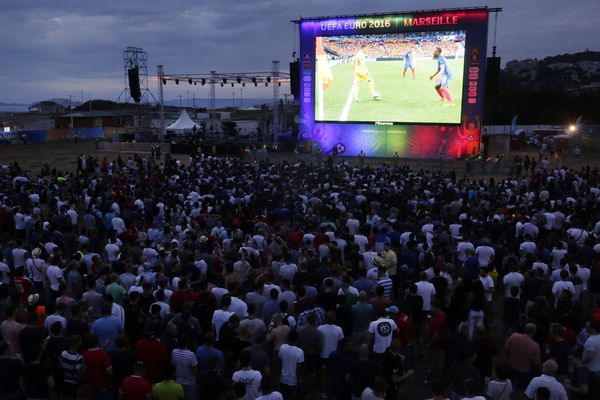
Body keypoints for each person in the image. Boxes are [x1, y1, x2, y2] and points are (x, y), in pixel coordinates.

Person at [278, 329, 304, 398]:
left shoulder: (282, 347)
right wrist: (298, 382)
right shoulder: (300, 351)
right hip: (293, 381)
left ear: (288, 338)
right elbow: (298, 369)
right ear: (297, 339)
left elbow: (280, 362)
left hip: (283, 379)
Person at [171, 336, 198, 400]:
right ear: (187, 343)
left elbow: (173, 365)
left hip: (178, 382)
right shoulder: (191, 354)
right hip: (190, 383)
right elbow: (195, 370)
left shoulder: (174, 352)